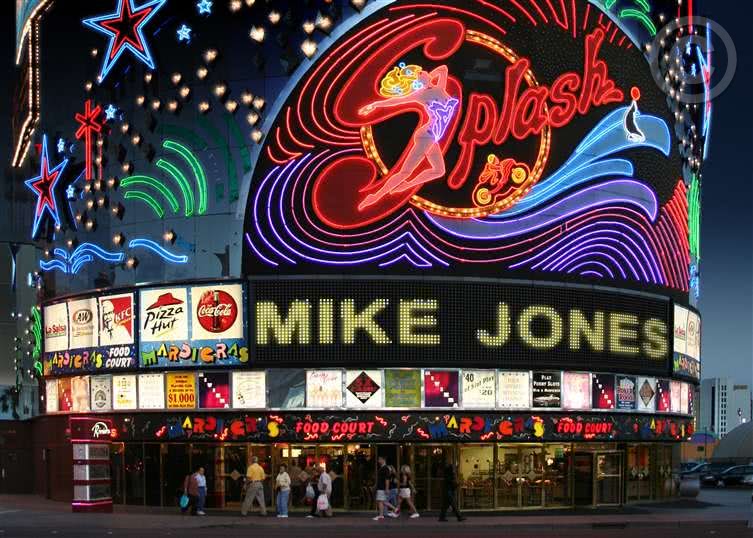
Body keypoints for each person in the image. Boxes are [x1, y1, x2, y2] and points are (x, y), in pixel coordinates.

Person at [357, 63, 458, 210]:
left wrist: (429, 75)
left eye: (423, 72)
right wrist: (375, 104)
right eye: (420, 75)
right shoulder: (420, 94)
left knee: (439, 171)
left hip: (432, 137)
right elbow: (396, 101)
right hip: (426, 136)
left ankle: (406, 185)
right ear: (419, 82)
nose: (423, 72)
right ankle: (375, 197)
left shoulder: (440, 88)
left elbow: (443, 69)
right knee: (405, 172)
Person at [373, 456, 397, 521]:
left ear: (383, 460)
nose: (378, 461)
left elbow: (387, 479)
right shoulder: (383, 468)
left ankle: (382, 515)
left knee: (381, 501)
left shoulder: (385, 468)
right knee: (381, 501)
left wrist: (387, 488)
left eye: (379, 459)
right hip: (381, 487)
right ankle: (382, 514)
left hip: (382, 488)